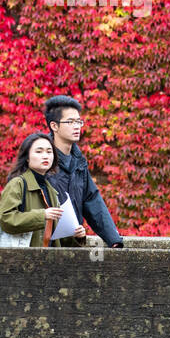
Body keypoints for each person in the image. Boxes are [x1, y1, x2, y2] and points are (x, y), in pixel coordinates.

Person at [43, 95, 124, 248]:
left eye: (79, 121)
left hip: (72, 243)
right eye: (70, 122)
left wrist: (113, 240)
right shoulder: (42, 159)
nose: (77, 126)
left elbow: (92, 200)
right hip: (44, 246)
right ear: (54, 126)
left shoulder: (78, 162)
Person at [0, 132, 87, 248]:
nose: (45, 156)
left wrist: (76, 236)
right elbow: (6, 220)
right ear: (27, 158)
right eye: (39, 152)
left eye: (49, 152)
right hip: (22, 260)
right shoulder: (17, 184)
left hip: (47, 261)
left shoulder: (51, 190)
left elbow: (55, 238)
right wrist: (42, 215)